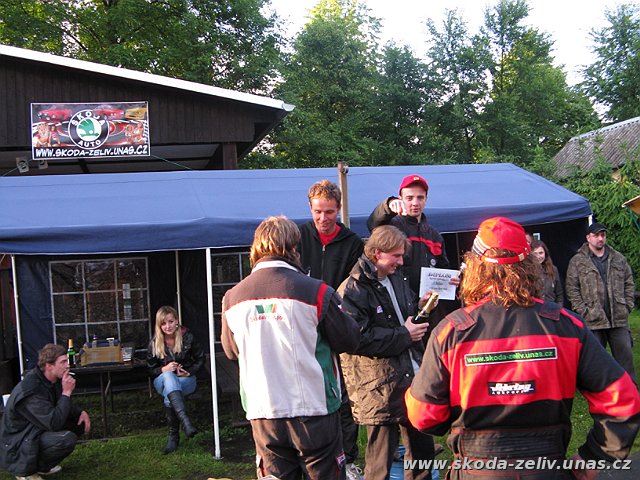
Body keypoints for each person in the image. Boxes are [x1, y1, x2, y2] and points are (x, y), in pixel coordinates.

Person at [405, 216, 640, 480]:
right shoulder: (566, 326)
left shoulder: (451, 332)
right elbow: (622, 399)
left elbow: (425, 415)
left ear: (475, 267)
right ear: (529, 265)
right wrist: (594, 457)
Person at [221, 216, 360, 480]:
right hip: (314, 409)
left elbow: (231, 351)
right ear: (294, 248)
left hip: (264, 411)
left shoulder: (232, 297)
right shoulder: (317, 291)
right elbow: (349, 340)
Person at [338, 225, 435, 480]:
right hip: (378, 387)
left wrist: (420, 307)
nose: (401, 261)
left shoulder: (397, 278)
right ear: (377, 253)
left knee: (423, 455)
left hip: (411, 377)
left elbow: (403, 317)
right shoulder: (352, 289)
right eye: (396, 256)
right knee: (380, 463)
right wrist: (404, 335)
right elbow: (356, 339)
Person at [298, 179, 364, 480]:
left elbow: (355, 285)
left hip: (337, 322)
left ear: (339, 209)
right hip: (305, 326)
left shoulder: (352, 242)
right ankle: (310, 455)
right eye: (318, 211)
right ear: (310, 209)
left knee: (344, 395)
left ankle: (348, 459)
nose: (323, 218)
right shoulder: (299, 236)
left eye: (329, 212)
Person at [0, 343, 91, 480]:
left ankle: (42, 467)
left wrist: (80, 412)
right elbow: (54, 423)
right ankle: (25, 471)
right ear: (49, 366)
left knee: (79, 424)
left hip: (35, 429)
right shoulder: (30, 390)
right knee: (66, 439)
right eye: (63, 362)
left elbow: (58, 402)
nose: (67, 365)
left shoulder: (50, 380)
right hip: (19, 441)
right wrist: (67, 392)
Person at [565, 222, 636, 382]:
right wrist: (584, 311)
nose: (600, 238)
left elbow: (629, 283)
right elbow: (572, 289)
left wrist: (627, 305)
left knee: (626, 358)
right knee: (596, 361)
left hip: (618, 319)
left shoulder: (618, 258)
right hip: (594, 320)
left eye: (602, 235)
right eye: (596, 235)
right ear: (588, 238)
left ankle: (631, 389)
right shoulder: (577, 261)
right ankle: (601, 390)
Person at [147, 305, 204, 454]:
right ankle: (185, 421)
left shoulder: (188, 337)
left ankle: (174, 436)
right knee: (168, 376)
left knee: (169, 394)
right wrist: (163, 369)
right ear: (159, 326)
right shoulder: (155, 342)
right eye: (164, 323)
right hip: (161, 381)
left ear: (177, 321)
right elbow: (150, 370)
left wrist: (188, 372)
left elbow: (201, 359)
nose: (168, 326)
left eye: (171, 321)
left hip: (186, 381)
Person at [531, 239, 564, 304]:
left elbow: (559, 294)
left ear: (545, 253)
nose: (538, 256)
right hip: (534, 308)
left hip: (551, 307)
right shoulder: (527, 271)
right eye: (535, 254)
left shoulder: (553, 269)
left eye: (541, 253)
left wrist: (558, 307)